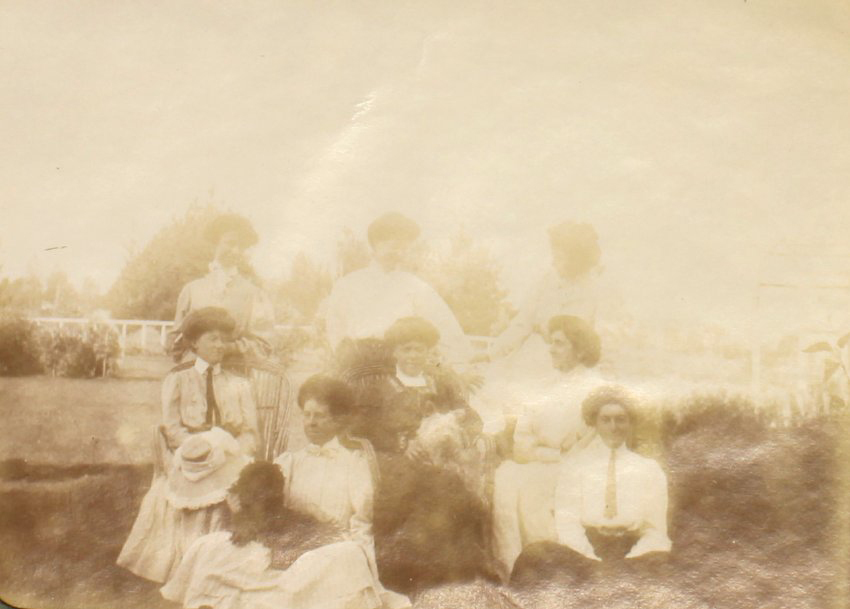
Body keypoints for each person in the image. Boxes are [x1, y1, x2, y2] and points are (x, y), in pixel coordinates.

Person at [341, 316, 491, 593]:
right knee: (436, 492)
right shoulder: (381, 386)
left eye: (419, 349)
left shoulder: (439, 383)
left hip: (440, 463)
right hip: (396, 465)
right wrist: (401, 444)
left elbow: (472, 419)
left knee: (451, 489)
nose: (412, 356)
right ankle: (415, 577)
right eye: (406, 348)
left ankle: (452, 577)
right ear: (395, 351)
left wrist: (456, 429)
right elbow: (359, 426)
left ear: (428, 352)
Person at [117, 307, 259, 583]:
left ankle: (224, 561)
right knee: (194, 479)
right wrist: (201, 449)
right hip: (191, 455)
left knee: (235, 479)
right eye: (212, 339)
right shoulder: (178, 378)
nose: (220, 345)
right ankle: (187, 561)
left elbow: (251, 433)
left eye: (224, 339)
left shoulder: (239, 384)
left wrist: (230, 449)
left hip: (230, 455)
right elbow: (173, 430)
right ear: (194, 342)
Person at [161, 461, 409, 609]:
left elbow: (312, 530)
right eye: (256, 494)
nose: (264, 498)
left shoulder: (288, 511)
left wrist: (295, 543)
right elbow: (246, 529)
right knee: (210, 548)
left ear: (278, 493)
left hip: (297, 552)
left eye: (269, 493)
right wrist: (240, 515)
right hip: (261, 557)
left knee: (349, 552)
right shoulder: (239, 516)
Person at [511, 385, 671, 587]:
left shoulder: (649, 469)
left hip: (635, 554)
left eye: (621, 419)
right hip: (585, 552)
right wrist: (593, 563)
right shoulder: (577, 466)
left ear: (631, 422)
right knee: (533, 556)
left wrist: (630, 561)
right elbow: (567, 523)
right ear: (595, 423)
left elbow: (655, 530)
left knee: (667, 565)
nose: (613, 427)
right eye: (606, 419)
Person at [490, 314, 603, 582]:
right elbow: (521, 445)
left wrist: (554, 452)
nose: (551, 349)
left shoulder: (595, 388)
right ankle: (512, 574)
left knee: (534, 490)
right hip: (539, 465)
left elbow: (590, 445)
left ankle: (548, 576)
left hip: (578, 470)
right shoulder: (541, 388)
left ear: (580, 348)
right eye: (551, 342)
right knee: (506, 479)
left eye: (559, 343)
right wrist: (553, 452)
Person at [323, 212, 472, 368]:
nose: (399, 252)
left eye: (404, 247)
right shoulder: (347, 285)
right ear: (376, 244)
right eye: (394, 246)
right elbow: (335, 330)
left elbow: (443, 322)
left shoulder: (415, 286)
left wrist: (462, 357)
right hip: (359, 369)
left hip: (403, 368)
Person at [488, 221, 601, 373]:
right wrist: (492, 353)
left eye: (559, 258)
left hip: (567, 366)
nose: (553, 263)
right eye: (553, 256)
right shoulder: (547, 281)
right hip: (530, 357)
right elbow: (522, 322)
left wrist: (544, 328)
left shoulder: (593, 290)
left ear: (576, 259)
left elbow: (587, 339)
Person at [169, 213, 275, 363]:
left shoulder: (254, 294)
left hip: (234, 376)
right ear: (216, 243)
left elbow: (264, 346)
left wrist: (229, 348)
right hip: (194, 374)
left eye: (241, 247)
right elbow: (177, 341)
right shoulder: (192, 290)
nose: (236, 251)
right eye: (230, 243)